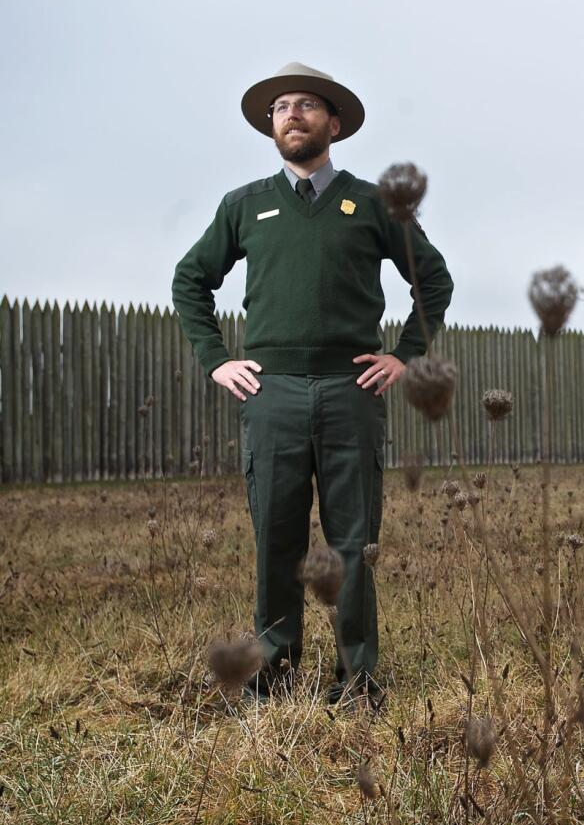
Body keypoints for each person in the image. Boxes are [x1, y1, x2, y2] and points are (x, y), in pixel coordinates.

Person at [172, 62, 453, 704]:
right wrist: (217, 358)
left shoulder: (374, 203)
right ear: (271, 128)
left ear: (333, 122)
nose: (291, 114)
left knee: (354, 542)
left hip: (350, 391)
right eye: (280, 108)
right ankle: (274, 673)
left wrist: (405, 354)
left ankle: (358, 680)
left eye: (305, 105)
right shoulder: (244, 206)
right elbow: (190, 280)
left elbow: (432, 280)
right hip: (271, 396)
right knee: (277, 536)